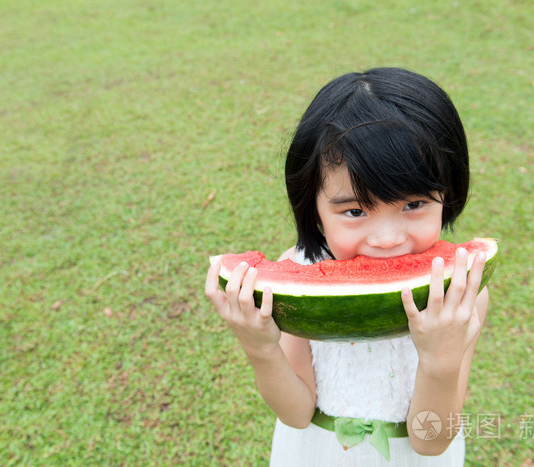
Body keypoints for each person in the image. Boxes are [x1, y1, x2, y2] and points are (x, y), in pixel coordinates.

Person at [205, 67, 489, 466]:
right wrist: (261, 348)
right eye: (355, 210)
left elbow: (431, 441)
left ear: (448, 193)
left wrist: (441, 361)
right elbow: (296, 413)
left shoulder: (461, 293)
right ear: (315, 210)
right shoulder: (294, 279)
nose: (387, 238)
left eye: (414, 204)